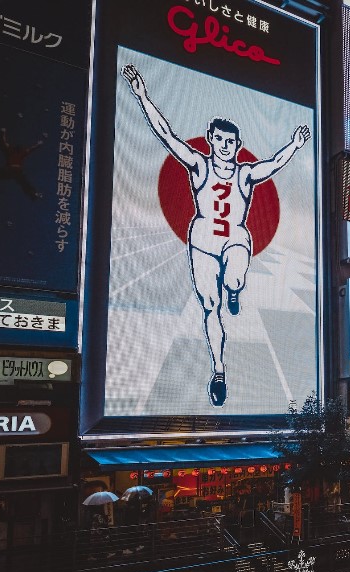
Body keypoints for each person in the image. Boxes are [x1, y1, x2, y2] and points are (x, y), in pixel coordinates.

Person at [122, 64, 311, 407]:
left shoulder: (245, 173)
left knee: (235, 277)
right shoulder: (199, 165)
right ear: (212, 140)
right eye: (220, 140)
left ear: (238, 145)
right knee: (210, 307)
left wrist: (295, 145)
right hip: (203, 241)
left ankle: (235, 288)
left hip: (235, 237)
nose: (225, 146)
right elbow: (167, 135)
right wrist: (143, 96)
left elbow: (273, 164)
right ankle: (219, 369)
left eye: (231, 142)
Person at [0, 128, 45, 200]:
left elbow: (3, 142)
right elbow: (31, 149)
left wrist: (2, 133)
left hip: (9, 169)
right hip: (18, 171)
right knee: (24, 183)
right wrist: (38, 145)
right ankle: (34, 193)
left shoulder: (10, 151)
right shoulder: (21, 152)